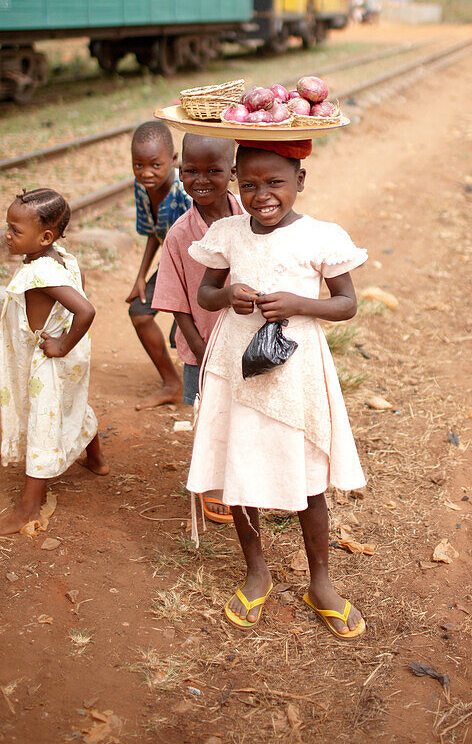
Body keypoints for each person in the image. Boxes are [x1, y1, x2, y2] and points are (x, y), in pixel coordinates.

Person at [186, 139, 367, 640]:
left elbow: (347, 304)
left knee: (306, 475)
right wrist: (228, 296)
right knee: (239, 464)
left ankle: (321, 582)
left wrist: (298, 304)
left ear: (300, 182)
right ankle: (256, 571)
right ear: (238, 188)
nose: (263, 195)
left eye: (275, 183)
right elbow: (205, 292)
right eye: (250, 185)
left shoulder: (321, 237)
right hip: (236, 365)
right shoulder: (227, 233)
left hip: (295, 370)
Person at [0, 188, 107, 534]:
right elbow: (81, 288)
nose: (7, 235)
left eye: (15, 230)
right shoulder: (62, 259)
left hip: (50, 359)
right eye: (8, 226)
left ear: (45, 236)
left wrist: (59, 345)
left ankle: (29, 506)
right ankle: (96, 460)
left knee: (44, 424)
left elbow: (85, 309)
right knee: (71, 405)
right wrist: (67, 342)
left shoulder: (39, 273)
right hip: (67, 354)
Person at [152, 133, 242, 524]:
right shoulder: (179, 235)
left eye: (213, 171)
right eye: (190, 171)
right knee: (210, 416)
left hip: (246, 342)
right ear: (179, 170)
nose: (200, 179)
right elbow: (175, 302)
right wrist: (200, 348)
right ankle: (212, 485)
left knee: (245, 413)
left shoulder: (251, 220)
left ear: (233, 172)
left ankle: (244, 480)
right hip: (201, 346)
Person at [127, 121, 191, 409]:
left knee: (186, 333)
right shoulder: (143, 188)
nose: (146, 173)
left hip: (198, 266)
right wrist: (141, 276)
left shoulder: (186, 193)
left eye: (155, 164)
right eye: (138, 165)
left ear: (174, 160)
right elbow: (154, 233)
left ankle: (206, 390)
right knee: (139, 313)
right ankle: (172, 384)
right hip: (172, 263)